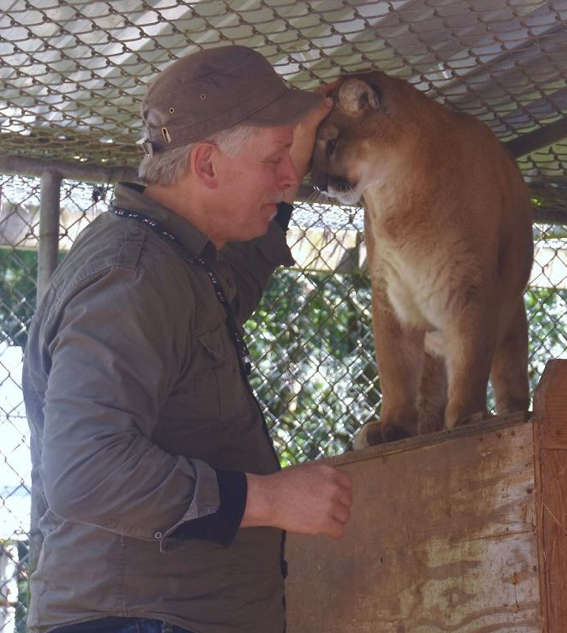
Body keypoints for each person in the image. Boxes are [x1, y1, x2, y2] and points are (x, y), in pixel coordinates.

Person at [22, 45, 353, 633]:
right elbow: (87, 469)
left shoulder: (176, 259)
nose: (289, 177)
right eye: (275, 158)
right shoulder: (134, 276)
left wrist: (286, 157)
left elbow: (235, 282)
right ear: (206, 165)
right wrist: (269, 500)